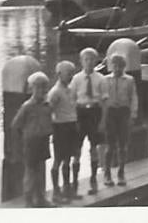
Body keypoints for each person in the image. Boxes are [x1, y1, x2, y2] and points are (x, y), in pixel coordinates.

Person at [11, 71, 54, 208]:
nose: (41, 90)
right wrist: (20, 143)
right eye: (38, 87)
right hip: (30, 142)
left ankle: (41, 198)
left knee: (41, 171)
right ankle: (29, 201)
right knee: (30, 172)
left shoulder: (48, 105)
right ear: (32, 88)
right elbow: (16, 125)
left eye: (44, 87)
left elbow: (50, 121)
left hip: (43, 140)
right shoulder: (27, 106)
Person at [69, 48, 106, 194]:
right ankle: (75, 179)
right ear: (81, 61)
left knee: (94, 146)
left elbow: (104, 100)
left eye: (92, 59)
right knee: (77, 148)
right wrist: (73, 118)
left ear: (96, 61)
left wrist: (103, 120)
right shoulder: (76, 79)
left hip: (95, 112)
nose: (89, 62)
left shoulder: (101, 78)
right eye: (86, 59)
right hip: (80, 112)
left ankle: (93, 178)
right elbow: (71, 99)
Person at [103, 53, 138, 187]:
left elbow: (134, 97)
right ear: (111, 66)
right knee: (110, 145)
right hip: (110, 113)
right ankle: (107, 173)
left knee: (123, 145)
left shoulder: (129, 80)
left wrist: (133, 114)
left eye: (120, 66)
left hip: (124, 112)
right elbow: (102, 98)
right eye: (114, 66)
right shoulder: (105, 80)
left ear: (124, 67)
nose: (117, 69)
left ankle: (121, 172)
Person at [47, 60, 79, 202]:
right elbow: (49, 112)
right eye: (68, 73)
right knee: (58, 160)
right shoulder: (55, 92)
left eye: (72, 73)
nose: (71, 76)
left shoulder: (71, 89)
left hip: (71, 126)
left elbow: (73, 108)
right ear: (59, 74)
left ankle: (68, 189)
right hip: (60, 128)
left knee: (68, 159)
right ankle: (56, 192)